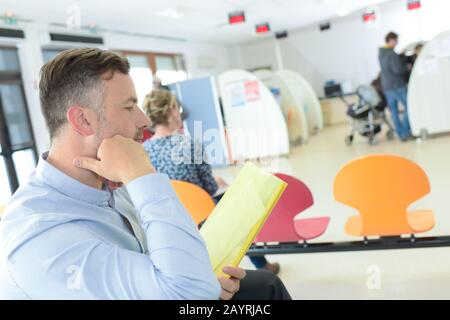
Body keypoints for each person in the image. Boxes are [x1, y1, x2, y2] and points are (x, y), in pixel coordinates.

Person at [0, 48, 290, 300]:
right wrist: (141, 175)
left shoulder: (109, 182)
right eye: (129, 107)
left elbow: (168, 265)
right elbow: (187, 294)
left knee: (265, 288)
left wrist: (201, 278)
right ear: (83, 120)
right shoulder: (40, 237)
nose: (144, 119)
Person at [142, 90, 281, 275]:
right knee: (238, 211)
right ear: (172, 111)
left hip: (168, 215)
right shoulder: (190, 144)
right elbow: (210, 187)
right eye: (177, 107)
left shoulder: (144, 150)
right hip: (199, 214)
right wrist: (217, 182)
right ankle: (262, 265)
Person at [379, 32, 412, 141]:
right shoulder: (391, 54)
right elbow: (397, 69)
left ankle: (399, 132)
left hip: (387, 86)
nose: (397, 43)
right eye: (396, 40)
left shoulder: (381, 53)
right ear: (391, 40)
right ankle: (405, 131)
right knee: (409, 106)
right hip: (397, 85)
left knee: (394, 111)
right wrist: (406, 66)